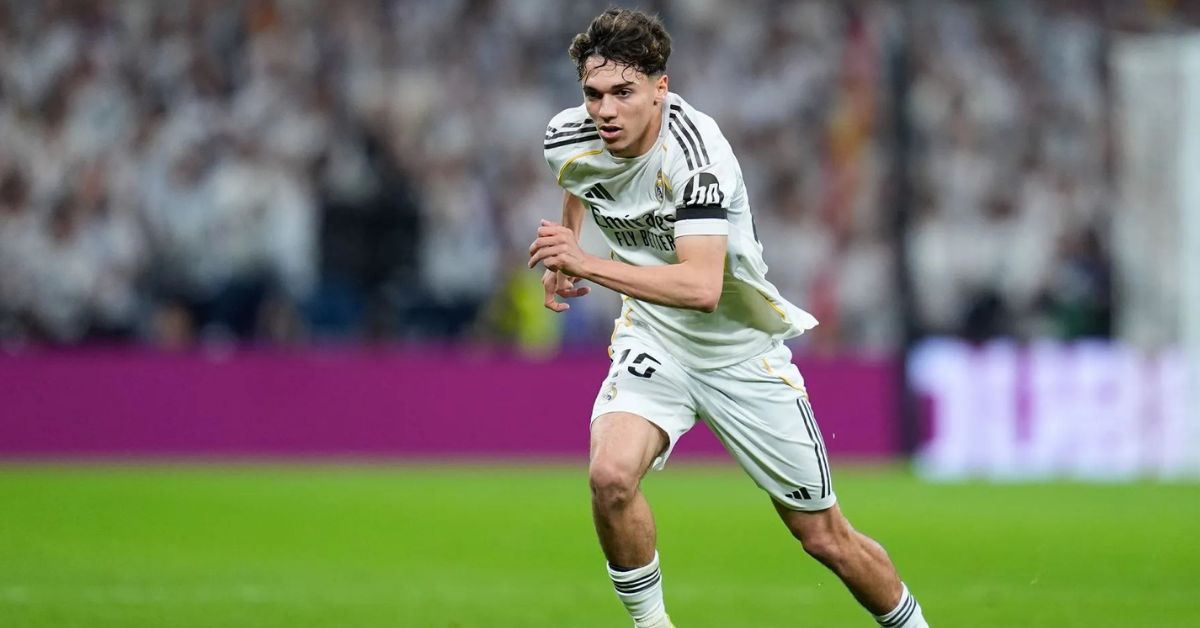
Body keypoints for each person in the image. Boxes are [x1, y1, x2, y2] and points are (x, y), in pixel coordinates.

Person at [528, 9, 929, 628]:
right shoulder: (567, 134)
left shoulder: (697, 155)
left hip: (740, 351)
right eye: (593, 93)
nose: (605, 110)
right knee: (610, 476)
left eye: (623, 93)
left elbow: (701, 287)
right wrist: (567, 247)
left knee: (825, 538)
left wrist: (585, 262)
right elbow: (578, 176)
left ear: (660, 88)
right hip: (655, 337)